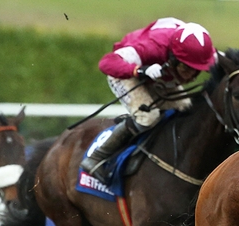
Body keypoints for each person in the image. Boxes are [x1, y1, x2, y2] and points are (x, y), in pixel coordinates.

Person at [79, 17, 217, 184]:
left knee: (186, 109)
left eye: (196, 70)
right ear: (173, 57)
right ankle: (96, 158)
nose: (191, 76)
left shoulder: (203, 52)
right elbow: (106, 63)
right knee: (148, 117)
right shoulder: (152, 47)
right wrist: (139, 71)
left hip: (160, 71)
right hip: (126, 71)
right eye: (186, 68)